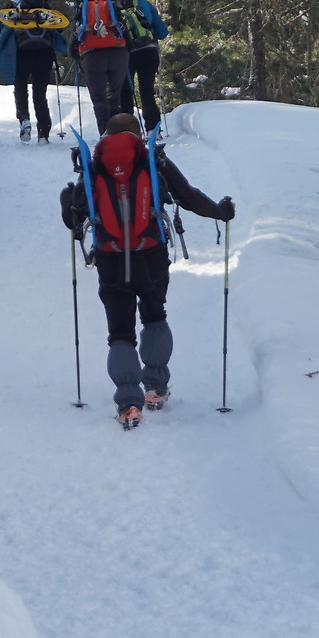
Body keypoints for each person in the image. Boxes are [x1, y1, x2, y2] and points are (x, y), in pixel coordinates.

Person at [60, 112, 235, 428]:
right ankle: (155, 387)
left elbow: (74, 220)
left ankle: (129, 403)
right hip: (151, 255)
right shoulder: (153, 160)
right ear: (138, 135)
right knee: (155, 315)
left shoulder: (94, 166)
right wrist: (220, 212)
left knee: (120, 332)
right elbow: (188, 196)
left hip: (111, 259)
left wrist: (65, 202)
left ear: (106, 135)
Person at [0, 0, 69, 144]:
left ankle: (24, 120)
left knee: (20, 89)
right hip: (44, 53)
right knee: (40, 94)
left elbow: (0, 30)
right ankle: (43, 132)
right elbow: (58, 27)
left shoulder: (11, 6)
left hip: (20, 55)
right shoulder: (42, 4)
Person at [70, 0, 135, 132]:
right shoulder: (113, 8)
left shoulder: (83, 11)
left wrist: (76, 54)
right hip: (118, 52)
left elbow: (73, 43)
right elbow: (127, 37)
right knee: (114, 97)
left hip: (92, 55)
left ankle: (105, 132)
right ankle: (118, 132)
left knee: (99, 98)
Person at [109, 0, 171, 130]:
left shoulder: (113, 6)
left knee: (125, 92)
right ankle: (153, 128)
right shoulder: (144, 4)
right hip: (149, 51)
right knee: (147, 91)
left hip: (126, 53)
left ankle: (127, 128)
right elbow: (162, 32)